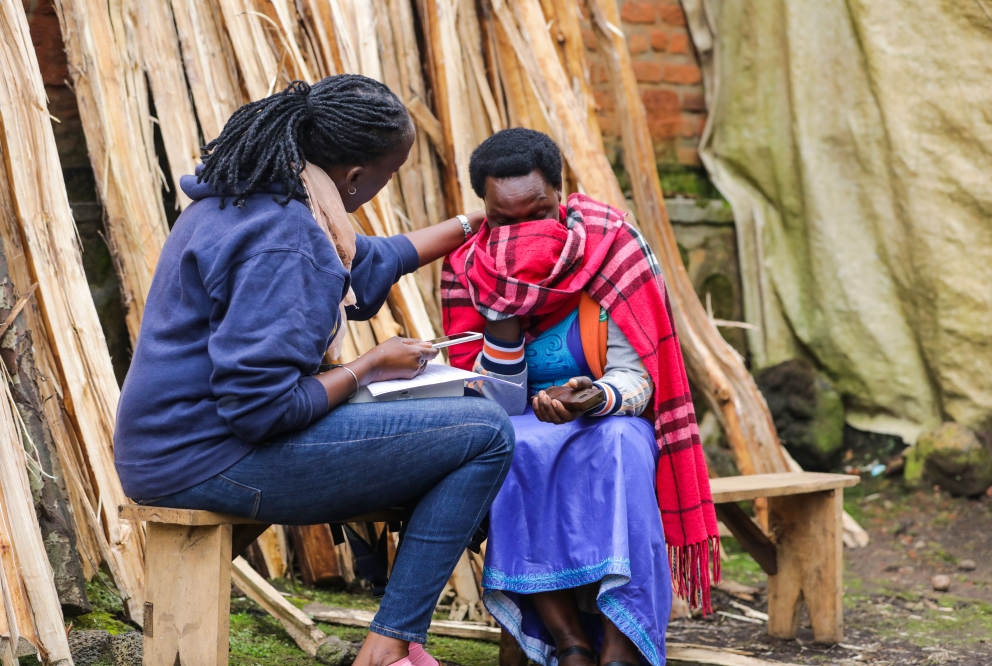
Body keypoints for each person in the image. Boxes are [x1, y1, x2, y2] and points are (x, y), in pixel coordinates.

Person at [114, 76, 515, 666]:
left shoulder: (262, 197)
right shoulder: (289, 241)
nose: (382, 188)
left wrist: (475, 223)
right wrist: (369, 366)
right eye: (388, 174)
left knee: (451, 418)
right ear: (354, 176)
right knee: (485, 433)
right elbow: (261, 411)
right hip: (206, 459)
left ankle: (395, 639)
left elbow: (378, 257)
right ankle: (389, 647)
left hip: (174, 445)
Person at [441, 129, 719, 666]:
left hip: (606, 413)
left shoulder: (613, 247)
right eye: (505, 221)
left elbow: (639, 377)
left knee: (621, 444)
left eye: (537, 213)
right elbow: (490, 399)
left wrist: (592, 399)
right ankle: (567, 641)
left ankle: (621, 641)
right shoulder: (472, 268)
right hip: (521, 419)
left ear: (561, 195)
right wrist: (504, 309)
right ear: (485, 211)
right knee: (506, 444)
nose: (523, 231)